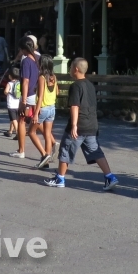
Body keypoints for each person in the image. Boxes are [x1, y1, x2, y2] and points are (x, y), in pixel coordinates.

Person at [43, 57, 118, 191]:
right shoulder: (90, 85)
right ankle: (110, 177)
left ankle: (60, 178)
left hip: (80, 125)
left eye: (71, 66)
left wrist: (74, 125)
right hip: (91, 125)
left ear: (76, 69)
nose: (70, 69)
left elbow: (75, 106)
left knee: (65, 149)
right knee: (96, 152)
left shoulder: (75, 86)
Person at [12, 37, 47, 160]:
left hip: (29, 95)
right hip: (37, 93)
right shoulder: (38, 58)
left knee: (21, 120)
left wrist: (23, 100)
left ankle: (21, 150)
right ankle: (52, 141)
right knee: (35, 120)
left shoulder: (26, 61)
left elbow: (25, 81)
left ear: (22, 49)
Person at [33, 54, 58, 169]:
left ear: (42, 64)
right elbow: (57, 92)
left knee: (31, 132)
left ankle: (44, 155)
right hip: (52, 107)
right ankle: (46, 161)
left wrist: (36, 113)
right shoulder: (53, 77)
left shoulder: (42, 78)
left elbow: (41, 96)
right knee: (47, 134)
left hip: (43, 108)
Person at [4, 67, 21, 139]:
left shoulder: (9, 83)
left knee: (14, 119)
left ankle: (18, 133)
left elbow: (5, 91)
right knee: (13, 118)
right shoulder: (19, 83)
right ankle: (10, 131)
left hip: (11, 104)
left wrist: (6, 93)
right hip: (17, 104)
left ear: (10, 76)